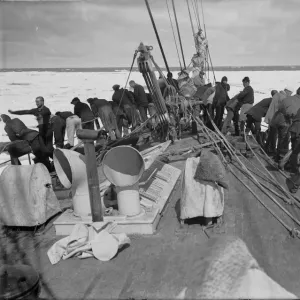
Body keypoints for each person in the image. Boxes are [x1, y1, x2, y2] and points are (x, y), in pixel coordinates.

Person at [264, 87, 293, 157]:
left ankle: (267, 149)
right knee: (275, 136)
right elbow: (284, 110)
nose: (290, 95)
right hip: (277, 118)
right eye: (290, 93)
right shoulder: (283, 97)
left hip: (272, 117)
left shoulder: (277, 95)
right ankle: (273, 151)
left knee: (271, 134)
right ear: (287, 91)